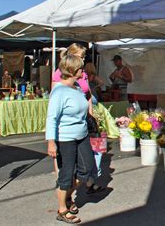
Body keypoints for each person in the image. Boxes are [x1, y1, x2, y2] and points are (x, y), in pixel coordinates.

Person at [46, 55, 96, 224]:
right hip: (65, 138)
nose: (83, 71)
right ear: (74, 71)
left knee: (87, 168)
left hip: (81, 135)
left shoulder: (76, 88)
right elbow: (51, 118)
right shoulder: (59, 91)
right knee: (66, 174)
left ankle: (66, 195)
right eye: (81, 68)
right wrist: (51, 142)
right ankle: (62, 209)